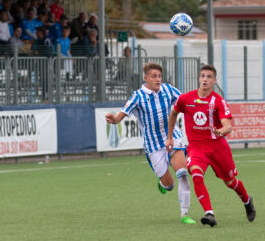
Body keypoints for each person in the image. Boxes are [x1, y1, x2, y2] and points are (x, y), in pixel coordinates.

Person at [105, 63, 196, 225]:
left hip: (172, 137)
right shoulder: (138, 96)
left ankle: (185, 214)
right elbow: (122, 114)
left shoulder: (168, 89)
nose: (158, 79)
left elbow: (186, 101)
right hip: (153, 146)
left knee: (182, 173)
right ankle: (163, 184)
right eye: (154, 76)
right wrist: (114, 120)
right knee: (170, 185)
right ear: (145, 78)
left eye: (160, 76)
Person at [165, 64, 256, 227]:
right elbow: (173, 114)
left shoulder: (218, 101)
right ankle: (209, 213)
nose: (205, 79)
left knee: (230, 182)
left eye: (209, 77)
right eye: (202, 76)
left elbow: (228, 126)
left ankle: (247, 200)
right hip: (196, 147)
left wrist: (221, 131)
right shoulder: (186, 99)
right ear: (199, 78)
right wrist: (169, 137)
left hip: (217, 147)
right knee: (196, 175)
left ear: (214, 80)